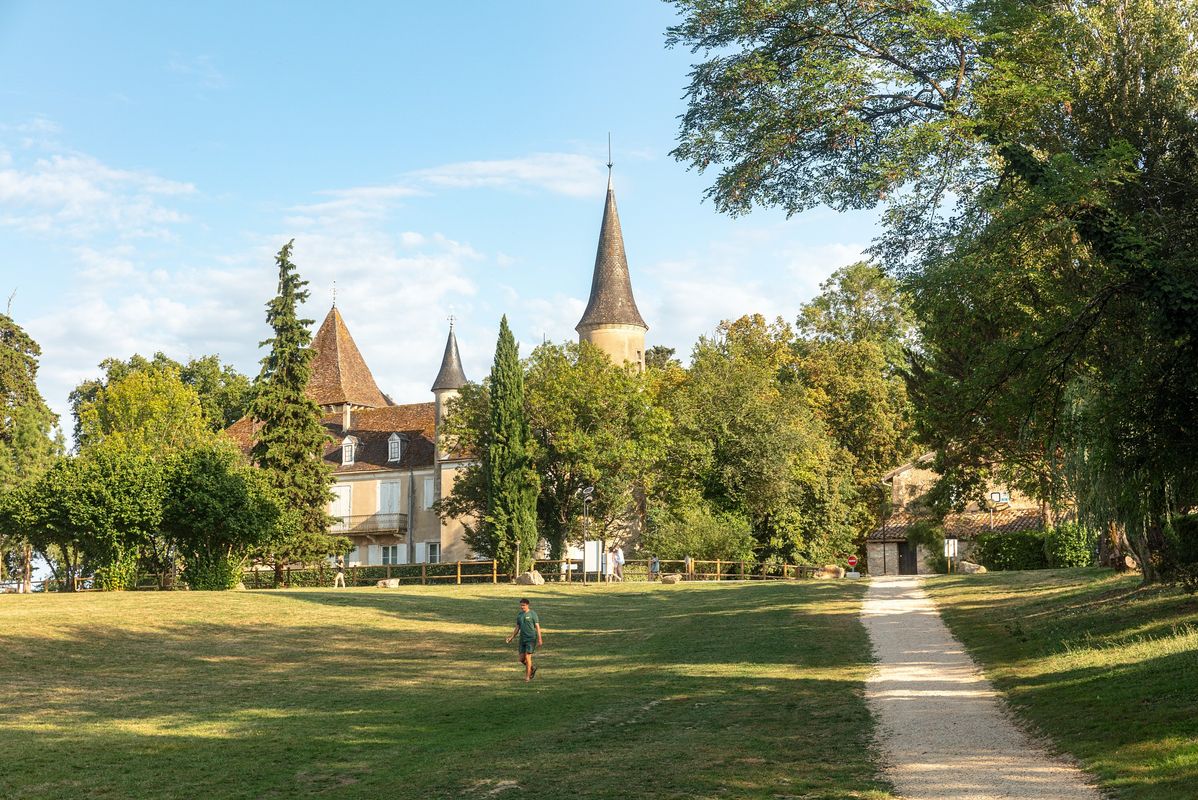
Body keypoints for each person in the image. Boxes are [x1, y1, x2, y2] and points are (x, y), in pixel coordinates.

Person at [505, 597, 543, 681]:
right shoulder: (520, 615)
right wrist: (511, 637)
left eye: (524, 605)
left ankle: (527, 677)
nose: (522, 607)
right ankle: (532, 668)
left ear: (528, 605)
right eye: (521, 605)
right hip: (522, 639)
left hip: (531, 638)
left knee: (528, 657)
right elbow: (517, 627)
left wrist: (540, 639)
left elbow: (537, 627)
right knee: (521, 659)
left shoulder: (533, 614)